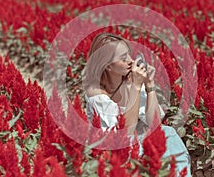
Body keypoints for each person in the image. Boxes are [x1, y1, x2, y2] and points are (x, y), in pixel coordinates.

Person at [82, 32, 191, 176]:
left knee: (167, 133)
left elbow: (155, 123)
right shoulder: (96, 93)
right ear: (107, 66)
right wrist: (136, 86)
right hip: (113, 147)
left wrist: (149, 84)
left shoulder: (129, 80)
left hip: (138, 135)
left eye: (128, 55)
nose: (130, 61)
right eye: (123, 58)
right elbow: (124, 133)